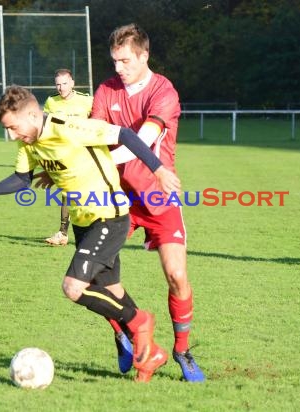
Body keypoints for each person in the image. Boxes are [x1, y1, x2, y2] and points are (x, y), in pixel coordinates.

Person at [0, 85, 181, 382]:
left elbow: (125, 135)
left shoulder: (69, 127)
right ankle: (151, 352)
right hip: (83, 222)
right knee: (113, 291)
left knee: (73, 288)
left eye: (13, 127)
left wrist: (159, 170)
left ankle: (141, 322)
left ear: (32, 114)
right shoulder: (28, 143)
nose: (12, 135)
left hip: (110, 217)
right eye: (6, 129)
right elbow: (23, 178)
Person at [91, 23, 205, 382]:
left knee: (176, 275)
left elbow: (144, 138)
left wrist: (106, 159)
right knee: (93, 272)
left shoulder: (163, 92)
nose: (118, 68)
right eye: (114, 61)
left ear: (144, 56)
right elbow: (93, 138)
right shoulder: (106, 91)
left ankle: (182, 351)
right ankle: (126, 331)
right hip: (116, 197)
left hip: (158, 195)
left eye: (125, 61)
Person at [43, 68, 93, 247]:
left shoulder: (87, 101)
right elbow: (46, 127)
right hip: (64, 156)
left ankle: (87, 231)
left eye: (64, 83)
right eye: (57, 84)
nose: (61, 87)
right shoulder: (51, 102)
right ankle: (63, 233)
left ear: (72, 83)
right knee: (68, 193)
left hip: (86, 155)